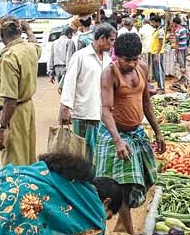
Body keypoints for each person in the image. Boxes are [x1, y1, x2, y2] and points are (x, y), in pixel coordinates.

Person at [97, 33, 166, 235]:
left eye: (135, 58)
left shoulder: (142, 68)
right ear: (116, 56)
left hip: (136, 133)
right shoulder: (109, 74)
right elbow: (106, 111)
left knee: (142, 181)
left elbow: (146, 103)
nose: (132, 63)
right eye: (127, 59)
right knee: (119, 187)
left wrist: (158, 132)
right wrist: (118, 141)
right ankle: (130, 231)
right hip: (114, 136)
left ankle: (121, 225)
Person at [0, 152, 125, 235]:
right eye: (108, 215)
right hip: (3, 219)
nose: (104, 219)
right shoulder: (93, 215)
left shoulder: (69, 179)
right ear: (106, 202)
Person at [60, 23, 117, 162]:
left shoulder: (108, 60)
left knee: (96, 153)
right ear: (102, 38)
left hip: (100, 115)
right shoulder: (80, 56)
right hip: (83, 114)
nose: (112, 45)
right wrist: (65, 108)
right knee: (82, 153)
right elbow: (69, 83)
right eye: (111, 40)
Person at [0, 16, 41, 166]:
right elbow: (36, 44)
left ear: (1, 35)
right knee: (27, 156)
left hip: (13, 114)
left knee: (14, 162)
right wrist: (29, 30)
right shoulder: (29, 49)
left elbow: (10, 100)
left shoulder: (9, 58)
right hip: (27, 110)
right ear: (20, 31)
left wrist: (1, 129)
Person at [150, 15, 166, 92]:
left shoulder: (160, 31)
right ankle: (159, 86)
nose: (152, 24)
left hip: (158, 53)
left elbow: (160, 43)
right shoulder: (156, 30)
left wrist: (157, 53)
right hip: (155, 52)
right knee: (156, 71)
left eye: (153, 22)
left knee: (159, 70)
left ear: (158, 22)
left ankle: (162, 87)